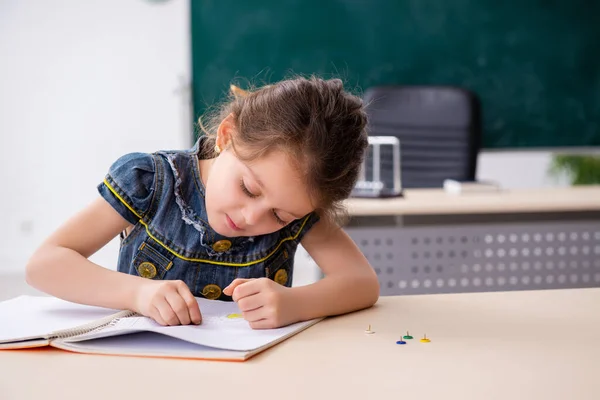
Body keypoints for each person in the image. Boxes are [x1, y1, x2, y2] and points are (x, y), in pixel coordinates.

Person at [26, 76, 379, 329]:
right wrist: (138, 294)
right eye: (249, 189)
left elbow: (361, 282)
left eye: (279, 215)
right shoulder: (151, 181)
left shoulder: (302, 204)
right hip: (143, 371)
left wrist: (295, 303)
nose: (251, 217)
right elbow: (45, 265)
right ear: (227, 135)